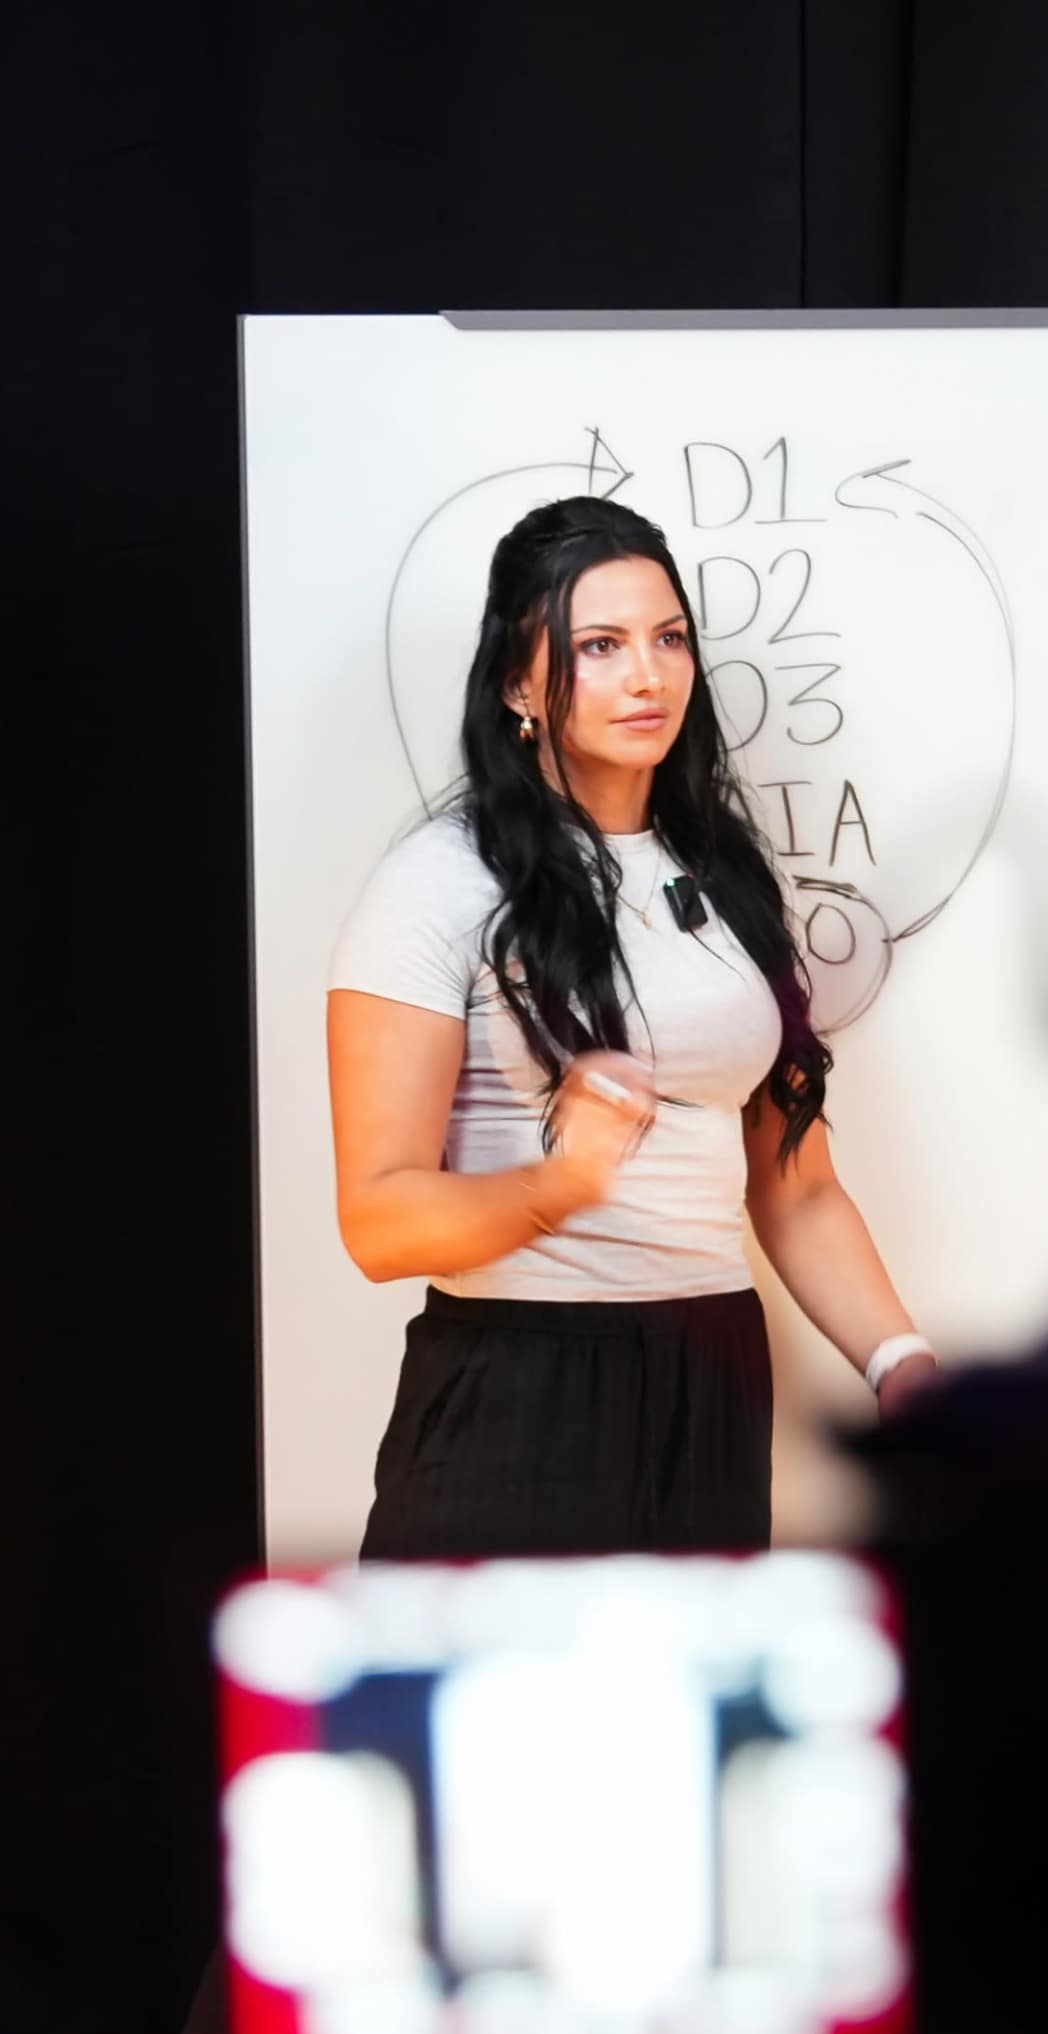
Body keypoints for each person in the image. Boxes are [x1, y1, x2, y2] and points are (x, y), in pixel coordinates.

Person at [324, 496, 936, 1558]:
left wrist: (900, 1362)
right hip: (521, 1384)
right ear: (520, 683)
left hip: (715, 1376)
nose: (648, 676)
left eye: (669, 638)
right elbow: (378, 1225)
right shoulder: (438, 880)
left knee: (693, 1721)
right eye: (598, 647)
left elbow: (797, 1184)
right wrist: (561, 1184)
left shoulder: (728, 877)